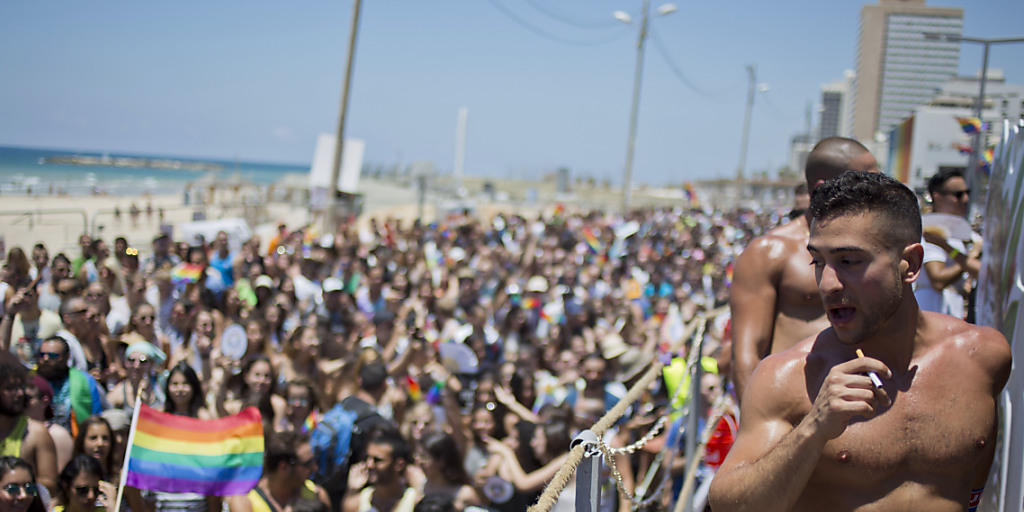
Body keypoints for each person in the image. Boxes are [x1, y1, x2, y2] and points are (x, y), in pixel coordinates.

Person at [708, 172, 1012, 511]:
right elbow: (729, 506)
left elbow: (972, 489)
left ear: (909, 264)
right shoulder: (789, 378)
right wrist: (813, 429)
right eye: (818, 262)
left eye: (849, 261)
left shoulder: (984, 357)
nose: (827, 284)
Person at [731, 137, 879, 400]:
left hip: (865, 404)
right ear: (823, 187)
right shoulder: (771, 251)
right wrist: (759, 432)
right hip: (798, 405)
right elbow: (747, 356)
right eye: (865, 182)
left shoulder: (879, 246)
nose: (878, 192)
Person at [916, 168, 981, 319]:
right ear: (937, 197)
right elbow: (938, 279)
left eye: (967, 193)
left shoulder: (963, 233)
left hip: (950, 310)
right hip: (933, 310)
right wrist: (969, 257)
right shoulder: (933, 229)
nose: (965, 199)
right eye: (958, 195)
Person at [227, 431, 329, 512]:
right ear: (283, 467)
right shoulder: (245, 502)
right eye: (307, 464)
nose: (315, 468)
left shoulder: (317, 495)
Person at [0, 353, 58, 494]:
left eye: (21, 387)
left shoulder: (36, 433)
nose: (19, 393)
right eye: (10, 388)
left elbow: (49, 485)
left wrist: (16, 487)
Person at [343, 428, 422, 512]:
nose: (369, 465)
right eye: (367, 458)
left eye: (377, 460)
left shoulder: (415, 502)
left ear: (399, 465)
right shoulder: (355, 504)